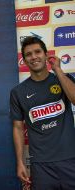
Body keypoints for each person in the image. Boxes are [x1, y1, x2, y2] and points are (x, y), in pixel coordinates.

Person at [10, 36, 75, 189]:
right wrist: (20, 162)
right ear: (24, 61)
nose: (34, 57)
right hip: (40, 165)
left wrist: (58, 70)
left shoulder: (63, 79)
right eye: (28, 54)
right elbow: (18, 128)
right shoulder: (18, 92)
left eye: (37, 52)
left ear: (46, 55)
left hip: (70, 159)